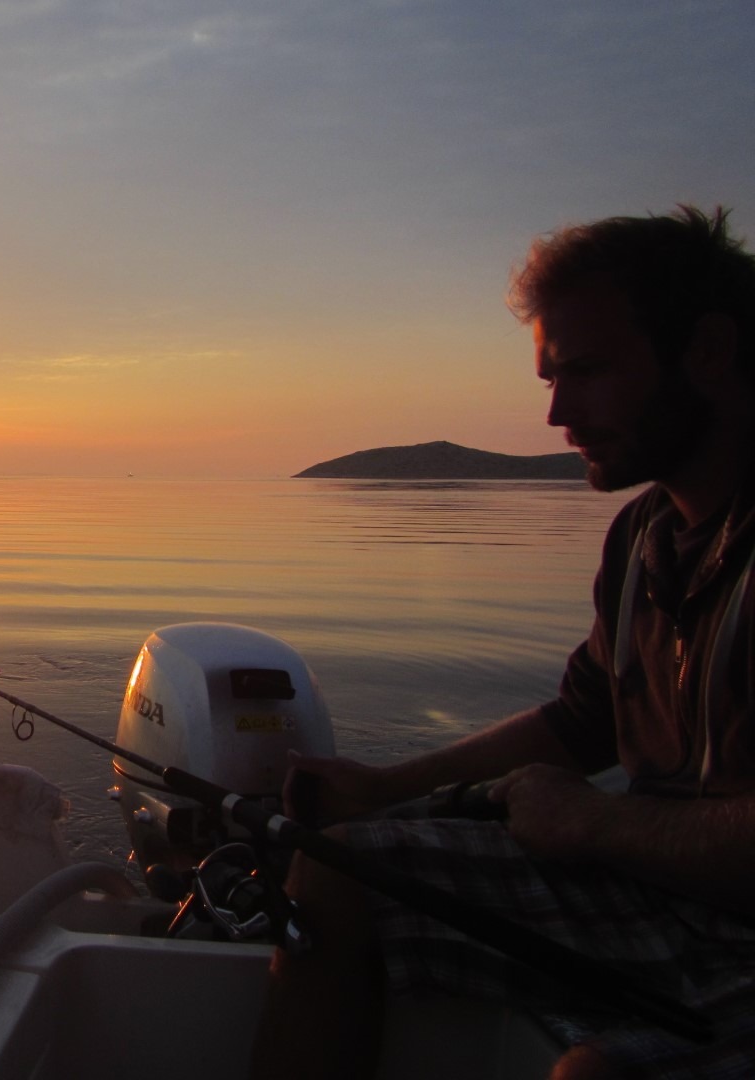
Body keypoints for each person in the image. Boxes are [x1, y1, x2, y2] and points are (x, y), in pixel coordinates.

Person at [249, 206, 755, 1080]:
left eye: (587, 371)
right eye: (551, 379)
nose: (558, 412)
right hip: (658, 897)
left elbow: (604, 808)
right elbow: (582, 721)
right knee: (336, 871)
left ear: (707, 352)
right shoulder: (644, 538)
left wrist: (597, 821)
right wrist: (384, 789)